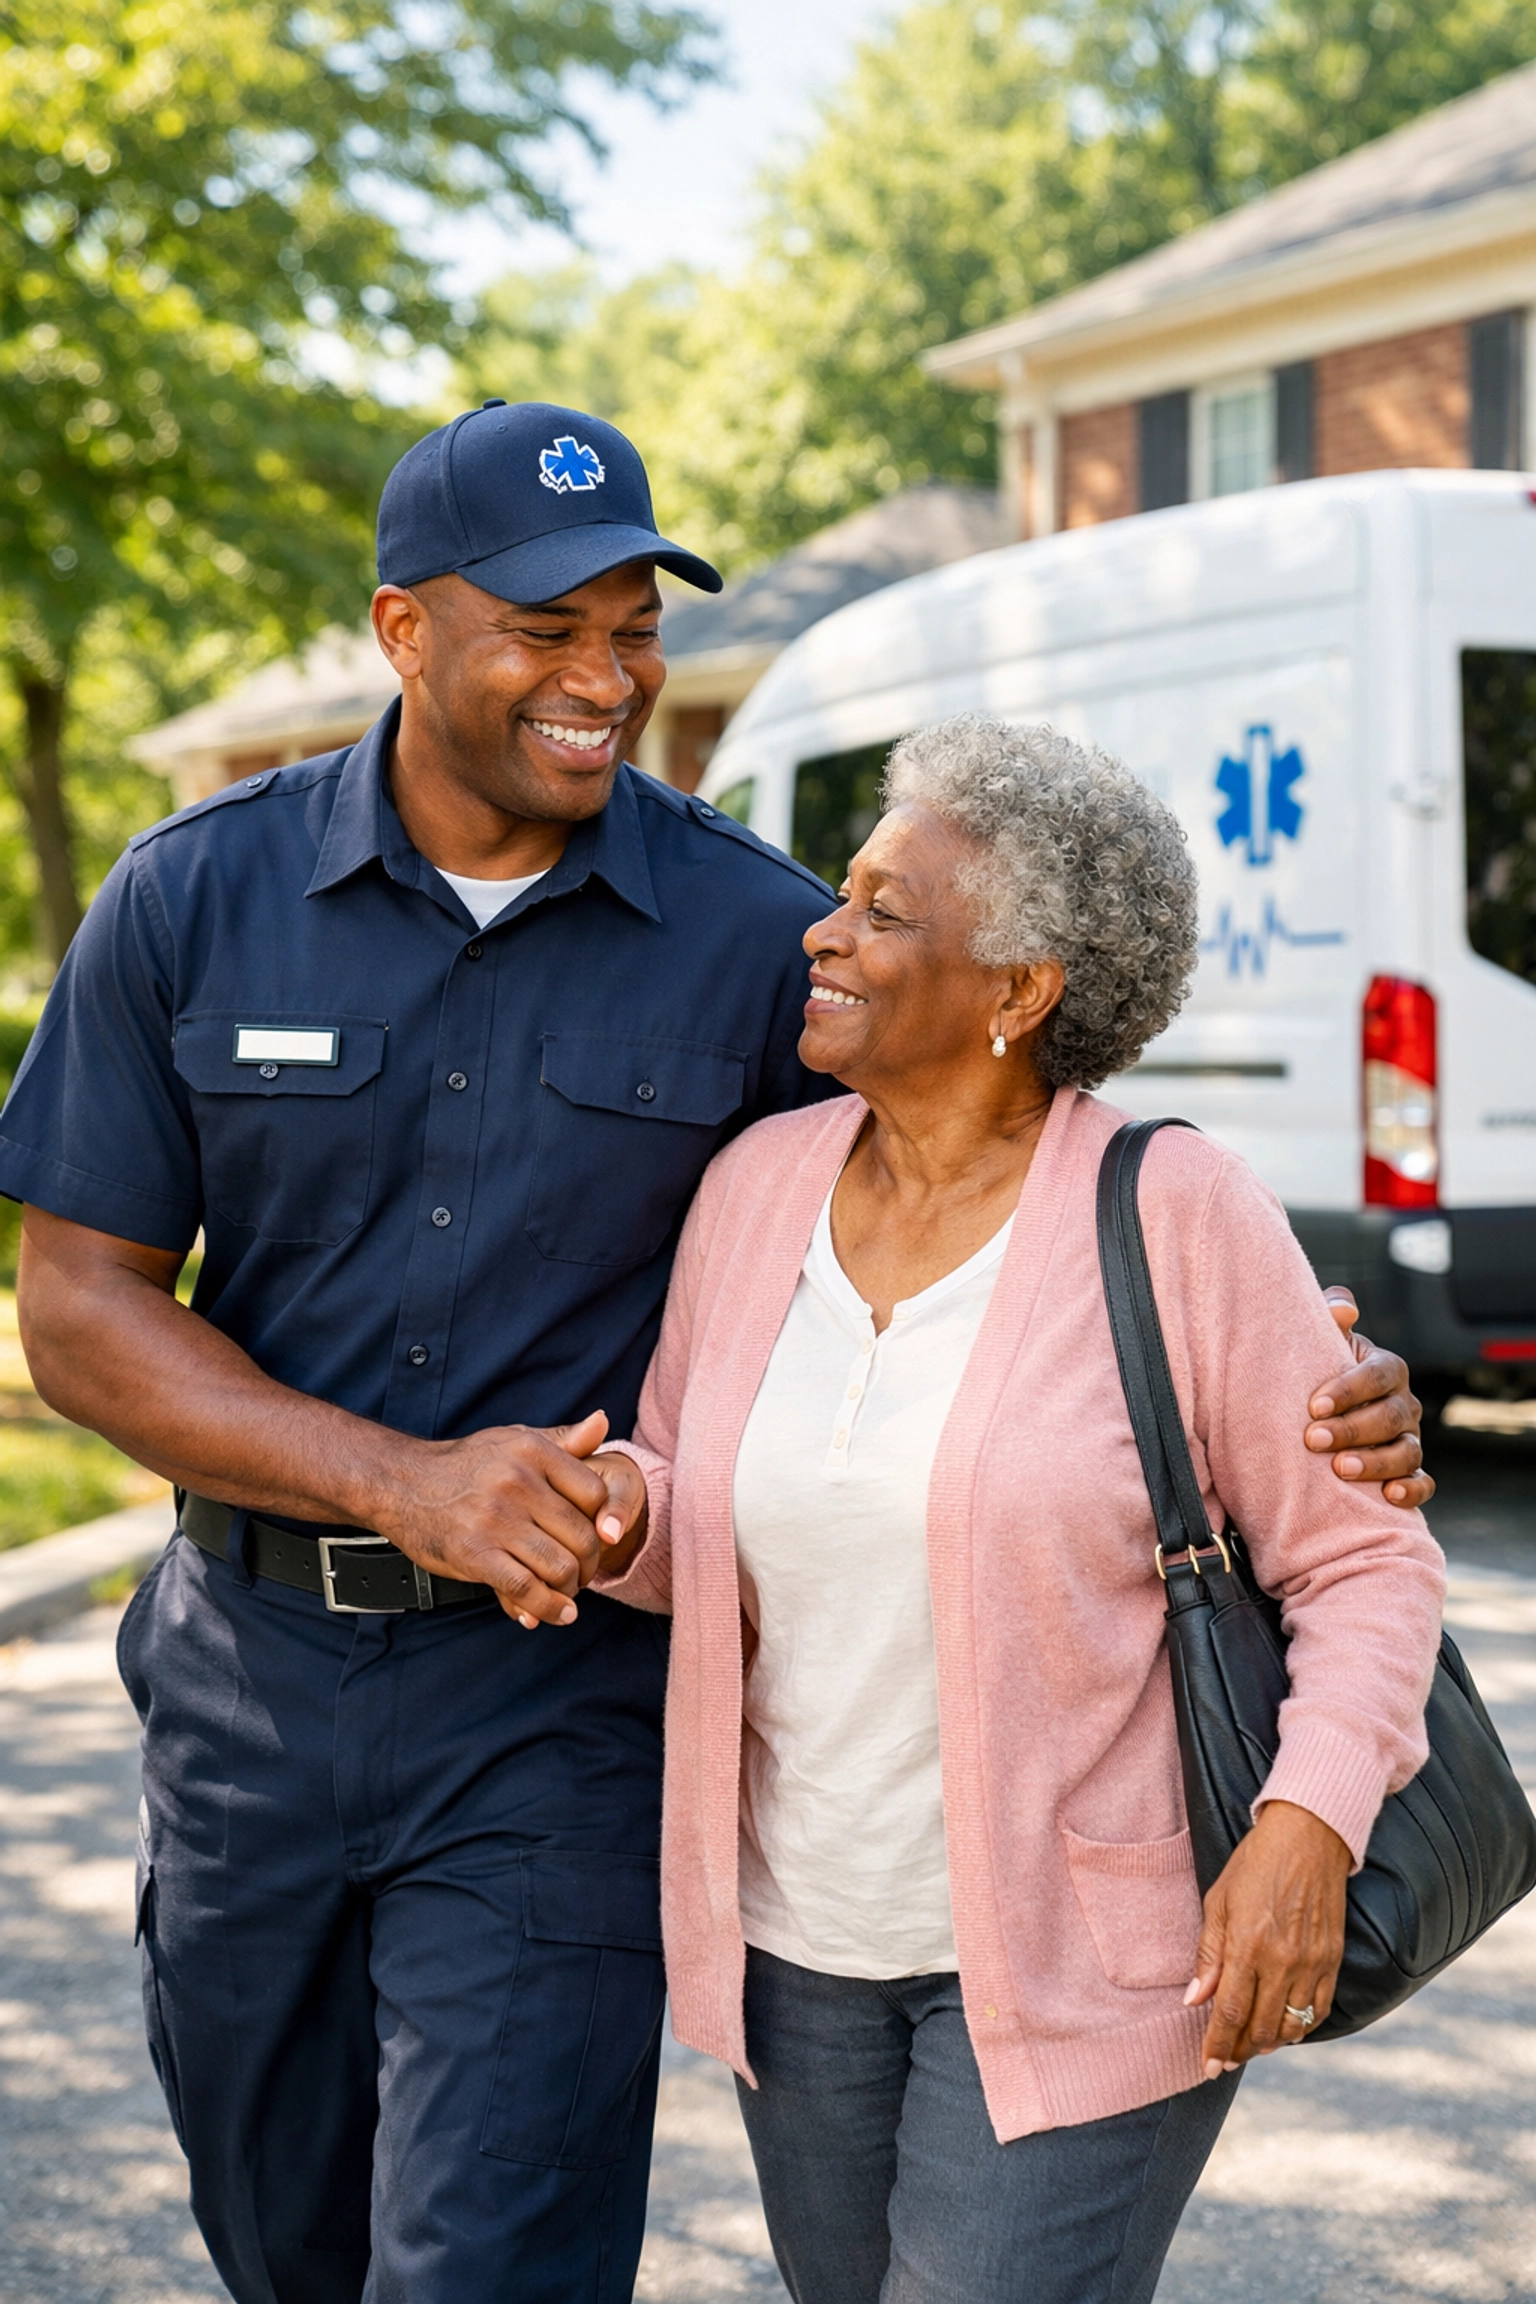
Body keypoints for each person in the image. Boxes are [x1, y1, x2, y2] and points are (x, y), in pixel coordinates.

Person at [0, 405, 1422, 2304]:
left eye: (635, 630)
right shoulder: (192, 897)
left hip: (555, 1715)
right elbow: (80, 1312)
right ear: (406, 629)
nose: (607, 680)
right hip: (247, 1686)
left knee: (482, 2264)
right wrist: (403, 1482)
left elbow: (986, 1154)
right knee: (282, 2234)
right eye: (549, 629)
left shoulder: (758, 934)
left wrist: (1293, 1359)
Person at [587, 716, 1447, 2304]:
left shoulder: (1175, 1209)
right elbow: (681, 1490)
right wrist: (609, 1520)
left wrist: (1305, 1826)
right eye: (843, 895)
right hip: (799, 1952)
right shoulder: (754, 1188)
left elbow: (1368, 1561)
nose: (823, 934)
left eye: (885, 913)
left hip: (1093, 1967)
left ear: (1019, 991)